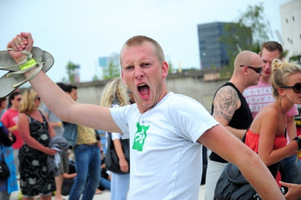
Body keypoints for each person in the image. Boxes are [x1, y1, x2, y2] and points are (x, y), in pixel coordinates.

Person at [6, 32, 286, 200]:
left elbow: (246, 157)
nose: (137, 71)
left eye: (145, 64)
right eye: (129, 67)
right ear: (123, 77)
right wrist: (28, 64)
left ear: (163, 69)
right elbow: (67, 109)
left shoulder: (180, 108)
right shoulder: (131, 116)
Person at [204, 50, 262, 200]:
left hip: (233, 165)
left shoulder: (237, 93)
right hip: (222, 165)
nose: (261, 74)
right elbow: (217, 128)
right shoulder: (228, 92)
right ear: (245, 69)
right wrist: (250, 135)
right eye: (258, 70)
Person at [243, 41, 301, 186]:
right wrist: (297, 143)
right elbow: (265, 158)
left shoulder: (282, 111)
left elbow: (290, 125)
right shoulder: (273, 113)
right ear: (281, 90)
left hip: (268, 174)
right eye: (297, 87)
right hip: (256, 179)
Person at [60, 84, 101, 200]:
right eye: (75, 94)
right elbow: (66, 120)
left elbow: (92, 125)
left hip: (94, 148)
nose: (77, 97)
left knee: (95, 180)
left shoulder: (80, 107)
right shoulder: (66, 111)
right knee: (81, 179)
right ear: (68, 94)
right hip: (82, 148)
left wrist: (98, 141)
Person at [17, 88, 56, 200]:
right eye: (38, 98)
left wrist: (55, 145)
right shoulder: (23, 116)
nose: (40, 101)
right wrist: (45, 149)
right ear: (31, 100)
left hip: (45, 157)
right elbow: (27, 138)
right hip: (30, 158)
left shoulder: (41, 113)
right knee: (29, 192)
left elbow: (50, 130)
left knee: (46, 190)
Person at [100, 78, 130, 199]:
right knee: (121, 193)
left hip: (114, 155)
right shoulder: (118, 109)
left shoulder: (110, 109)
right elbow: (115, 137)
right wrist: (122, 159)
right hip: (121, 155)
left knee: (116, 193)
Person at [40, 83, 68, 200]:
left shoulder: (59, 104)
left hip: (62, 141)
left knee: (62, 170)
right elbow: (44, 122)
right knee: (57, 169)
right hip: (54, 142)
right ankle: (56, 194)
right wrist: (60, 124)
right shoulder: (47, 105)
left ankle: (59, 194)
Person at [1, 91, 24, 175]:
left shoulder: (22, 112)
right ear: (12, 100)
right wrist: (16, 127)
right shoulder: (7, 114)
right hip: (13, 147)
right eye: (19, 99)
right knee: (14, 171)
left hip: (23, 145)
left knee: (22, 170)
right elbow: (3, 130)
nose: (21, 101)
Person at [0, 98, 18, 200]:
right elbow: (7, 140)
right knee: (4, 192)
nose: (6, 102)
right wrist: (9, 137)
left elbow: (13, 138)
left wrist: (9, 137)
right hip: (3, 161)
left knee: (6, 192)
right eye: (4, 100)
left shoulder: (1, 119)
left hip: (6, 160)